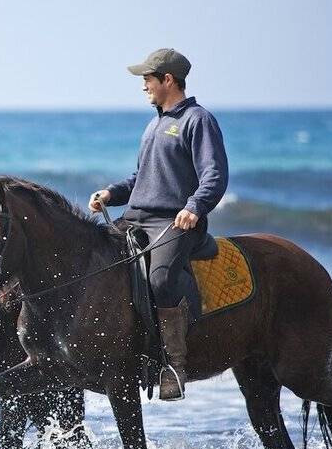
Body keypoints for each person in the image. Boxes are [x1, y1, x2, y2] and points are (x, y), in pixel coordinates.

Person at [89, 48, 228, 401]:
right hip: (137, 217)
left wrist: (194, 207)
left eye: (148, 79)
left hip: (175, 221)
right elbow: (141, 179)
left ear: (168, 79)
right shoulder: (154, 123)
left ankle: (173, 365)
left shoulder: (198, 120)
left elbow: (214, 174)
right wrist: (110, 193)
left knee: (161, 278)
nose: (143, 86)